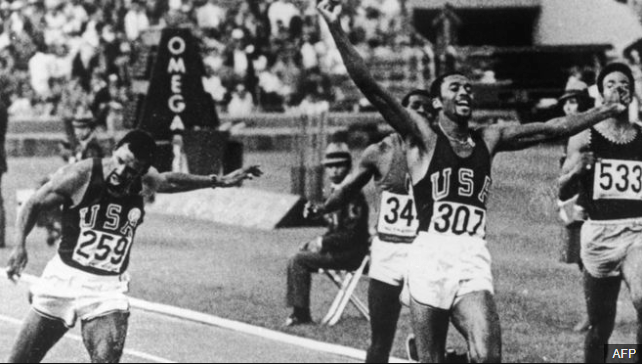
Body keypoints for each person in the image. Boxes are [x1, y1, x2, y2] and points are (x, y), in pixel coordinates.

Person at [317, 2, 626, 362]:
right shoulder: (423, 138)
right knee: (430, 359)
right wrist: (336, 29)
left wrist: (605, 110)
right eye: (455, 88)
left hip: (471, 256)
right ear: (436, 101)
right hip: (430, 255)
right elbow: (371, 86)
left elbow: (550, 128)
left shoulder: (488, 138)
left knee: (488, 356)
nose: (465, 92)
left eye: (468, 88)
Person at [5, 130, 263, 363]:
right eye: (120, 161)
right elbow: (33, 204)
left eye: (131, 169)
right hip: (62, 279)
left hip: (105, 290)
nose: (121, 172)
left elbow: (169, 181)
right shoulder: (81, 174)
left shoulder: (145, 180)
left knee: (106, 358)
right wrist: (20, 246)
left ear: (142, 170)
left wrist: (218, 181)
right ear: (115, 151)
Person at [307, 89, 432, 362]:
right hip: (387, 252)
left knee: (430, 337)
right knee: (380, 340)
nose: (419, 113)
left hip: (424, 251)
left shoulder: (440, 151)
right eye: (413, 107)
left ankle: (430, 351)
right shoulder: (380, 152)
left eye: (425, 108)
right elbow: (349, 188)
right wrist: (324, 206)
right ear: (399, 112)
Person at [560, 63, 642, 363]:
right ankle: (620, 357)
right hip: (598, 238)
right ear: (601, 93)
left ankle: (634, 359)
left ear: (632, 93)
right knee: (599, 328)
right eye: (611, 84)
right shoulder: (584, 136)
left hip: (637, 233)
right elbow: (561, 190)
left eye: (624, 83)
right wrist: (575, 172)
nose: (618, 88)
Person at [286, 142, 369, 326]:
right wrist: (314, 242)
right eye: (330, 166)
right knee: (297, 256)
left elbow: (352, 234)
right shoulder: (334, 193)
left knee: (299, 260)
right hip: (339, 250)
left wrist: (322, 242)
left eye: (339, 166)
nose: (334, 171)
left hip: (352, 254)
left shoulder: (353, 195)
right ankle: (298, 310)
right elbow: (335, 229)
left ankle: (301, 313)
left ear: (348, 167)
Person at [556, 79, 593, 333]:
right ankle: (594, 312)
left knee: (594, 259)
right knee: (582, 260)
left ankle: (595, 313)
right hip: (573, 199)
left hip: (588, 199)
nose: (569, 107)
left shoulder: (589, 129)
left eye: (573, 101)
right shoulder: (568, 130)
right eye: (566, 102)